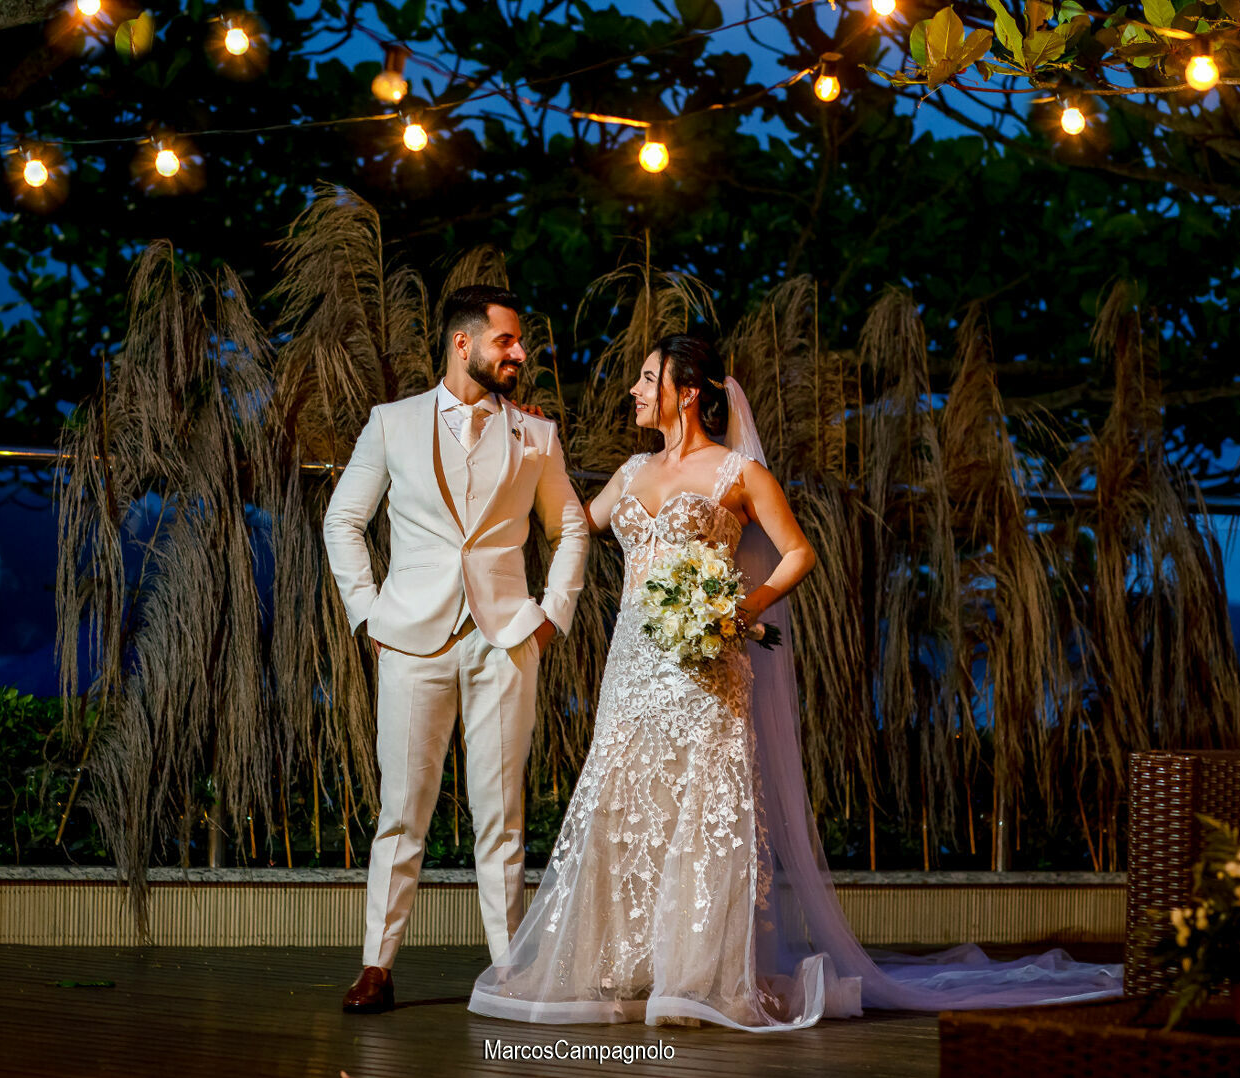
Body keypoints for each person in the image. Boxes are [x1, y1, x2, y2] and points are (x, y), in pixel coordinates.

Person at [468, 334, 1121, 1031]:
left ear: (687, 391)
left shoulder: (738, 473)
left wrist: (736, 609)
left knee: (704, 816)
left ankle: (697, 974)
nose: (633, 388)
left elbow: (797, 552)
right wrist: (539, 441)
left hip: (706, 668)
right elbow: (574, 522)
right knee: (624, 806)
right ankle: (626, 965)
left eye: (646, 377)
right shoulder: (629, 472)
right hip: (631, 665)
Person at [322, 284, 590, 1013]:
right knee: (401, 812)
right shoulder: (392, 423)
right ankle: (376, 966)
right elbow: (343, 520)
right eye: (507, 341)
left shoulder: (536, 434)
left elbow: (569, 528)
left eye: (520, 342)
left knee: (501, 815)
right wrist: (367, 616)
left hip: (506, 640)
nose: (520, 353)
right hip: (410, 640)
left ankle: (509, 969)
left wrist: (549, 617)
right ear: (462, 343)